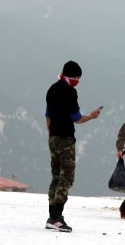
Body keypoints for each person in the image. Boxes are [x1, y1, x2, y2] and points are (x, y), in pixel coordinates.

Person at [45, 60, 101, 232]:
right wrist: (91, 116)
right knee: (66, 177)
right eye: (76, 77)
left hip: (53, 137)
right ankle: (56, 217)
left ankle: (52, 216)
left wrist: (51, 133)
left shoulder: (52, 89)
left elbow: (48, 115)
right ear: (70, 76)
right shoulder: (70, 92)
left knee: (55, 176)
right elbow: (76, 118)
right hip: (65, 139)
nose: (78, 80)